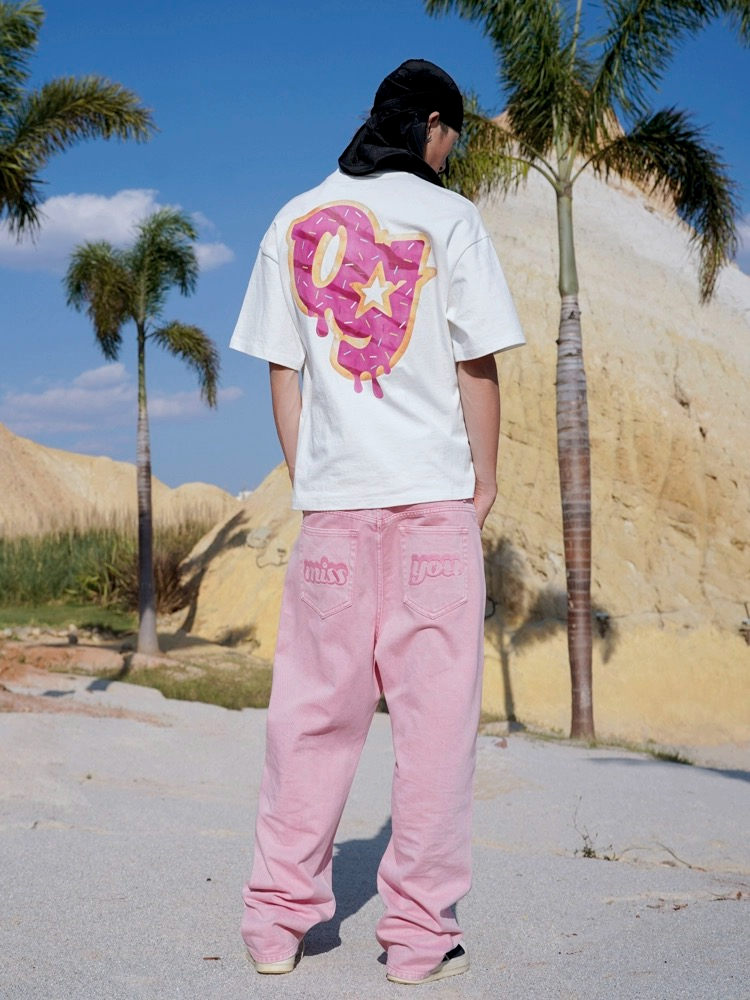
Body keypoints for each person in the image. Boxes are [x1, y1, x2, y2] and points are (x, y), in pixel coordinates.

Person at [229, 58, 525, 985]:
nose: (450, 155)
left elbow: (283, 371)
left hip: (335, 512)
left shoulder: (292, 218)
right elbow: (477, 363)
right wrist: (482, 481)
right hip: (431, 507)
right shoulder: (451, 218)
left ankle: (276, 924)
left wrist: (308, 474)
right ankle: (418, 942)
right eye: (451, 139)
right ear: (432, 125)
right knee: (435, 734)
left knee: (309, 722)